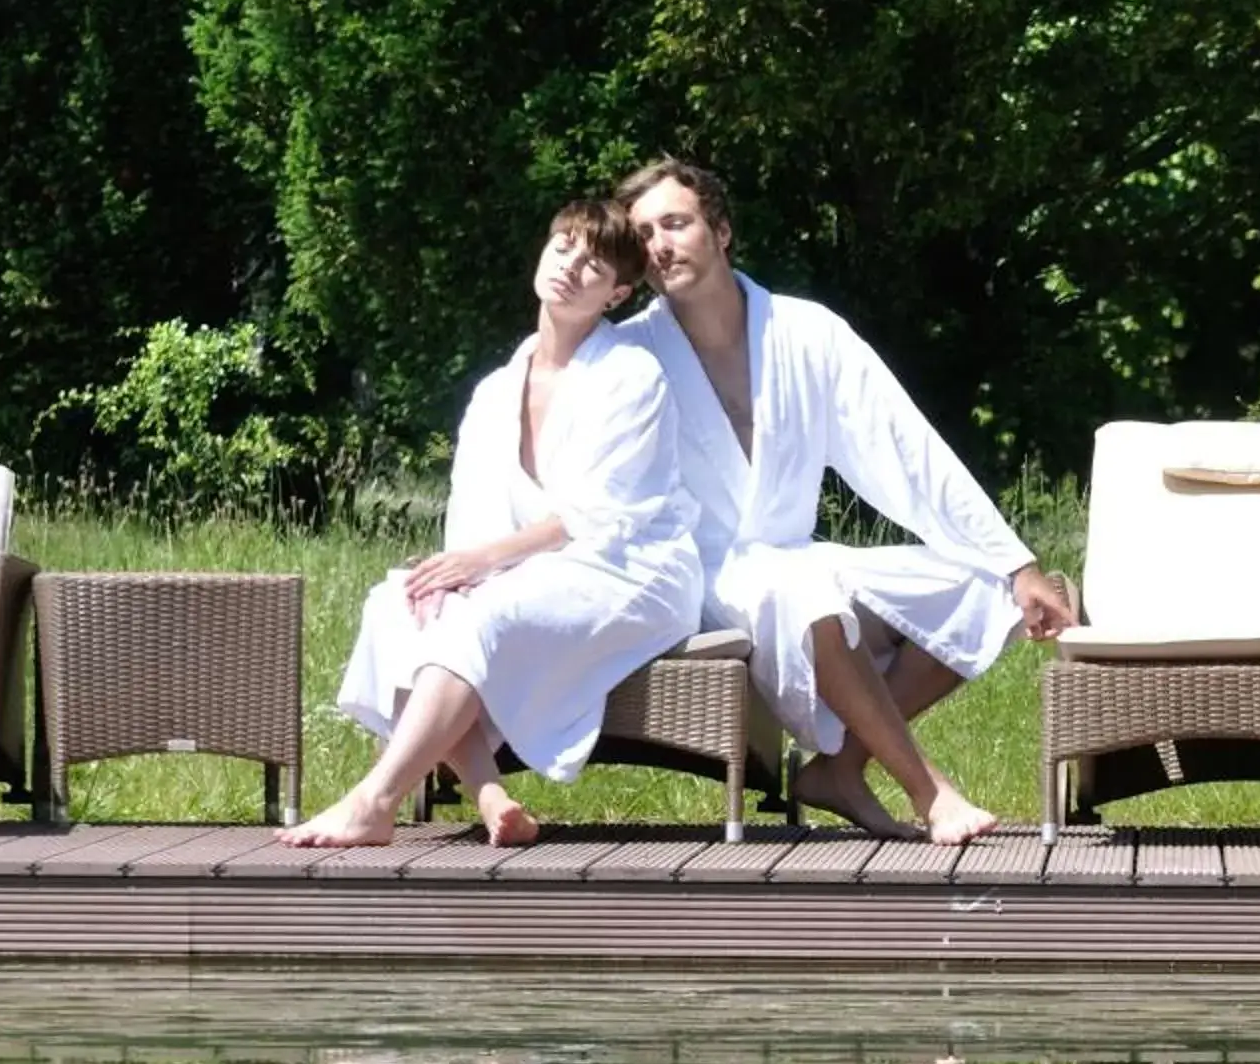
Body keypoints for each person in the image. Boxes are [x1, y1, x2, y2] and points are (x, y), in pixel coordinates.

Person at [615, 158, 1078, 846]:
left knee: (982, 590)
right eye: (644, 233)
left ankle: (841, 768)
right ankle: (931, 790)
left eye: (675, 223)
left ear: (721, 230)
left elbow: (906, 450)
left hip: (793, 557)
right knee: (806, 595)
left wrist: (1016, 563)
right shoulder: (629, 356)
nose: (659, 244)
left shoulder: (808, 334)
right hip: (703, 573)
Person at [283, 199, 704, 849]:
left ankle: (376, 799)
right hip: (532, 568)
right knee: (401, 604)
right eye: (564, 246)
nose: (571, 266)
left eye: (594, 264)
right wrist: (456, 574)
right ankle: (489, 794)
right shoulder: (493, 392)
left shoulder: (632, 375)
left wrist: (483, 566)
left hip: (634, 570)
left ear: (618, 292)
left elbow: (604, 512)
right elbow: (475, 515)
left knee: (480, 616)